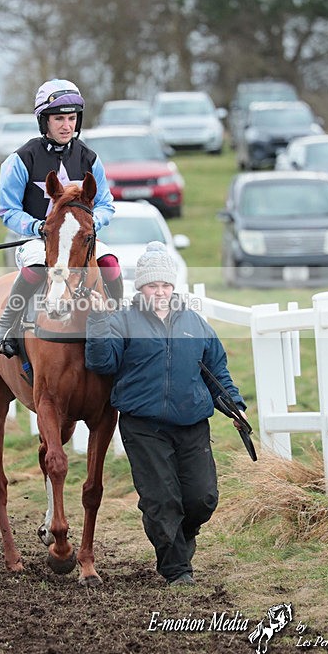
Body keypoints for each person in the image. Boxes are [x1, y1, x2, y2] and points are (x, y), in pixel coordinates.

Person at [85, 241, 248, 587]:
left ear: (173, 287)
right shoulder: (122, 321)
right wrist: (97, 322)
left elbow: (216, 370)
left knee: (203, 499)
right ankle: (177, 570)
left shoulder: (195, 323)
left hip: (192, 424)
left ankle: (181, 538)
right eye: (152, 286)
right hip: (144, 427)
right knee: (162, 501)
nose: (159, 292)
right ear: (140, 288)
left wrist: (234, 407)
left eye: (165, 285)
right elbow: (102, 363)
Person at [0, 78, 123, 357]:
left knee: (110, 263)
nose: (67, 126)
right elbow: (8, 210)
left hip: (79, 240)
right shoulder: (21, 159)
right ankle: (8, 325)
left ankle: (119, 321)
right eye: (59, 119)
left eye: (72, 118)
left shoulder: (90, 158)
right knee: (37, 267)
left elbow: (106, 204)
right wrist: (37, 226)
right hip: (37, 240)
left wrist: (90, 224)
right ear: (45, 121)